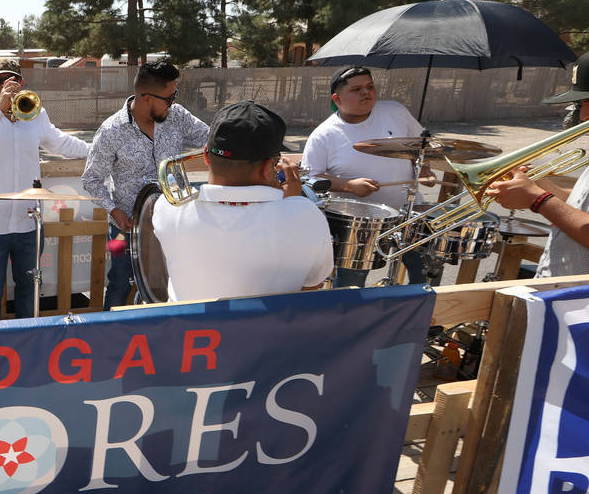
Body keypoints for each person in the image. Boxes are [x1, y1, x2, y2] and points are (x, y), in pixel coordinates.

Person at [151, 101, 333, 301]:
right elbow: (312, 284)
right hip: (269, 331)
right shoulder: (307, 216)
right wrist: (293, 203)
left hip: (191, 330)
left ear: (206, 155)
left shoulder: (168, 207)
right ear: (266, 169)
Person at [0, 58, 90, 320]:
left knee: (30, 292)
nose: (4, 86)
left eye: (12, 81)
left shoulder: (34, 112)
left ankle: (29, 349)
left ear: (22, 83)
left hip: (28, 224)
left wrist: (96, 150)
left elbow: (60, 143)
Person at [81, 60, 209, 309]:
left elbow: (209, 138)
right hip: (125, 230)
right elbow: (91, 179)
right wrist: (115, 211)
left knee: (174, 285)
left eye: (175, 96)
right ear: (146, 97)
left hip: (175, 224)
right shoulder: (111, 131)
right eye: (169, 98)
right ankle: (112, 340)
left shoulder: (177, 116)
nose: (173, 103)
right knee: (119, 284)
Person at [302, 66, 432, 287]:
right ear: (337, 98)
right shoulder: (324, 134)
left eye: (370, 86)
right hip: (360, 224)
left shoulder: (395, 111)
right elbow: (309, 179)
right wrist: (348, 185)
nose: (366, 92)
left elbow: (421, 145)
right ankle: (348, 321)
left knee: (427, 273)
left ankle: (423, 317)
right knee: (350, 287)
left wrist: (425, 169)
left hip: (409, 212)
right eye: (357, 89)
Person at [486, 51, 589, 278]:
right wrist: (539, 185)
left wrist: (537, 199)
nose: (582, 116)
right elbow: (582, 206)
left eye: (586, 103)